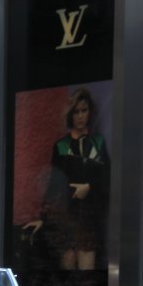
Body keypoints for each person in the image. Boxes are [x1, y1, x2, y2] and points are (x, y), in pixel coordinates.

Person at [49, 87, 109, 270]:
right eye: (76, 111)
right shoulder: (61, 145)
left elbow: (106, 177)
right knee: (67, 268)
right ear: (70, 114)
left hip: (89, 216)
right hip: (66, 214)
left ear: (90, 112)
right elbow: (53, 184)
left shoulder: (98, 143)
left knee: (86, 272)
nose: (81, 116)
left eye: (84, 110)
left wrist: (89, 187)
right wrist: (43, 217)